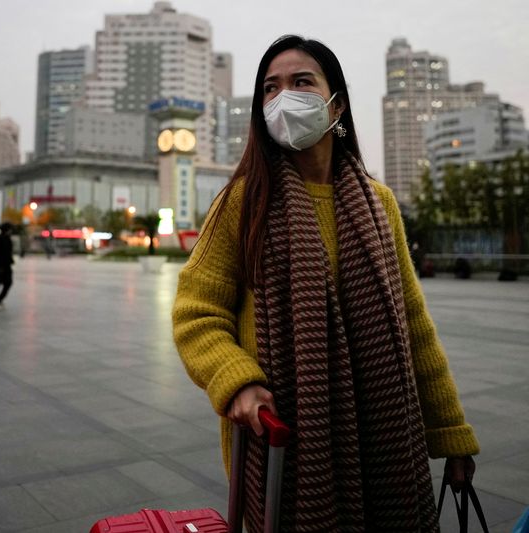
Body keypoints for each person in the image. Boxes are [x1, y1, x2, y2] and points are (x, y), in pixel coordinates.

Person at [172, 35, 478, 532]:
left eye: (300, 83)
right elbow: (195, 313)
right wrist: (238, 382)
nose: (282, 98)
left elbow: (413, 326)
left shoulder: (378, 204)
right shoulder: (241, 203)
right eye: (270, 88)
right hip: (288, 445)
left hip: (382, 438)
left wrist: (451, 432)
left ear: (335, 104)